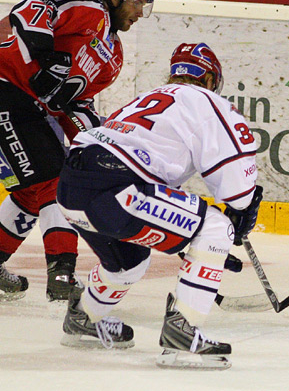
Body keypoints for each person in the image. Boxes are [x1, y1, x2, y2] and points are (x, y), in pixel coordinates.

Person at [56, 42, 261, 369]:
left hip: (70, 186)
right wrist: (240, 214)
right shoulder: (211, 102)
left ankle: (85, 316)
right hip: (117, 189)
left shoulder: (150, 97)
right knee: (216, 227)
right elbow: (236, 195)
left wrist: (190, 243)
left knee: (128, 262)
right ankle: (183, 334)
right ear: (210, 79)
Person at [0, 0, 154, 301]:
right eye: (138, 0)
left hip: (28, 108)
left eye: (146, 4)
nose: (141, 12)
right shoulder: (88, 5)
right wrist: (43, 54)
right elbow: (30, 9)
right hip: (5, 86)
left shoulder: (112, 56)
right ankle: (62, 276)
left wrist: (98, 145)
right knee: (54, 181)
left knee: (32, 192)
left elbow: (76, 104)